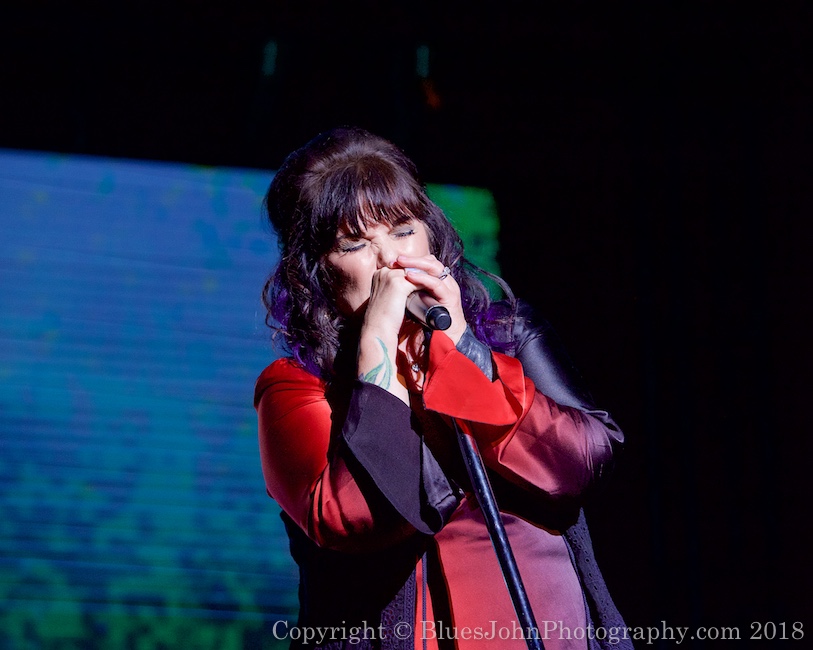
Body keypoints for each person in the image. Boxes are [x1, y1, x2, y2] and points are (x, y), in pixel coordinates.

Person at [254, 126, 632, 650]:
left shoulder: (508, 335)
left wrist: (459, 345)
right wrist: (378, 359)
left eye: (404, 230)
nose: (391, 260)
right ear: (315, 272)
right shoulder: (297, 386)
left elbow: (577, 464)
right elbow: (350, 518)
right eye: (357, 244)